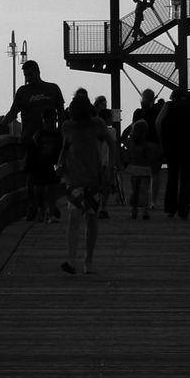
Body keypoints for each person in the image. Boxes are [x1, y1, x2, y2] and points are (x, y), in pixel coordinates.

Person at [0, 59, 65, 218]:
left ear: (38, 72)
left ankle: (49, 206)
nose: (28, 78)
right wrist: (2, 124)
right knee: (32, 176)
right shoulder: (22, 92)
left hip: (51, 140)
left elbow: (61, 111)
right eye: (26, 75)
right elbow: (14, 111)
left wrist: (61, 131)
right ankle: (34, 206)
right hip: (30, 140)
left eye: (30, 74)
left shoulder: (52, 89)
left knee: (51, 176)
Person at [57, 92, 112, 274]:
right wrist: (60, 164)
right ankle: (71, 261)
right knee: (74, 217)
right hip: (74, 179)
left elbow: (111, 144)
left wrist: (110, 169)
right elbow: (65, 147)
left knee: (90, 218)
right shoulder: (68, 127)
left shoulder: (97, 125)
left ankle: (88, 260)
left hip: (93, 179)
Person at [156, 89, 190, 220]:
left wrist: (162, 139)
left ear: (173, 96)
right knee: (186, 177)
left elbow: (158, 122)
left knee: (172, 176)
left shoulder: (168, 105)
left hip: (172, 145)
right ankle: (184, 210)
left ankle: (171, 209)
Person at [123, 88, 164, 208]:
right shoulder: (157, 111)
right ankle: (153, 201)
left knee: (138, 175)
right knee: (155, 174)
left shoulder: (137, 112)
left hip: (139, 146)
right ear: (153, 99)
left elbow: (133, 128)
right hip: (154, 145)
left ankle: (139, 199)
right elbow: (159, 127)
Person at [26, 106, 64, 221]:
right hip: (40, 165)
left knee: (52, 188)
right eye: (48, 120)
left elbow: (62, 150)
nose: (50, 123)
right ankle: (42, 210)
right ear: (44, 120)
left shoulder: (58, 135)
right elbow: (32, 151)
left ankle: (51, 211)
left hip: (53, 164)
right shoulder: (38, 135)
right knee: (40, 190)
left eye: (52, 120)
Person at [91, 94, 118, 217]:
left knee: (96, 185)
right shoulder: (111, 131)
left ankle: (95, 204)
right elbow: (114, 147)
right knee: (106, 186)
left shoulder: (93, 130)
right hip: (106, 162)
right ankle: (103, 207)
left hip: (95, 161)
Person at [123, 117, 155, 218]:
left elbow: (123, 136)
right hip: (145, 170)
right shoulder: (146, 145)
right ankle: (145, 211)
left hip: (134, 169)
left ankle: (134, 210)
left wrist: (131, 125)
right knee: (144, 191)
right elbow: (150, 158)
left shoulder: (131, 143)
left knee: (135, 190)